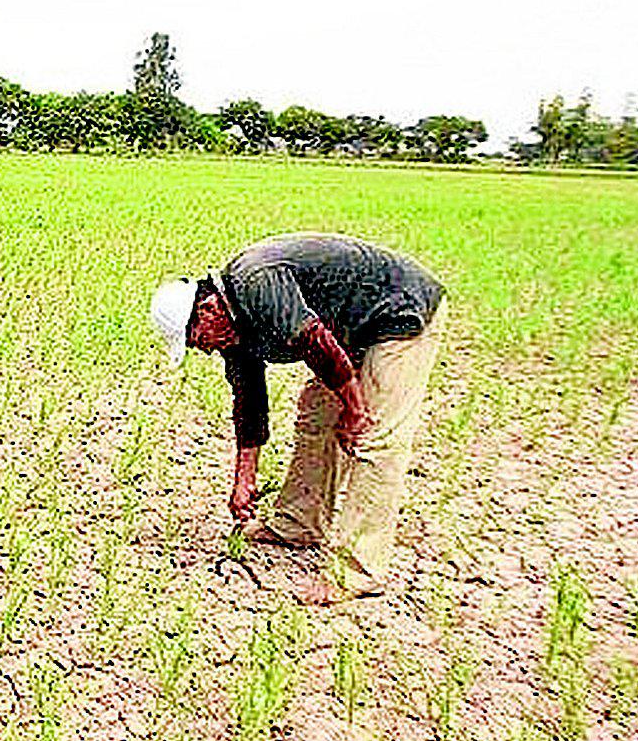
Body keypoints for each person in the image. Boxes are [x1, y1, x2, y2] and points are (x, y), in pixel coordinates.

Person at [151, 234, 447, 604]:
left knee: (374, 436)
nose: (206, 349)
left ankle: (356, 571)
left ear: (208, 308)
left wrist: (354, 409)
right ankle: (298, 523)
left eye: (196, 339)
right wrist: (244, 482)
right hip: (351, 330)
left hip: (399, 309)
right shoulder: (232, 326)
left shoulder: (256, 283)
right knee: (317, 415)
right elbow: (250, 403)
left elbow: (315, 342)